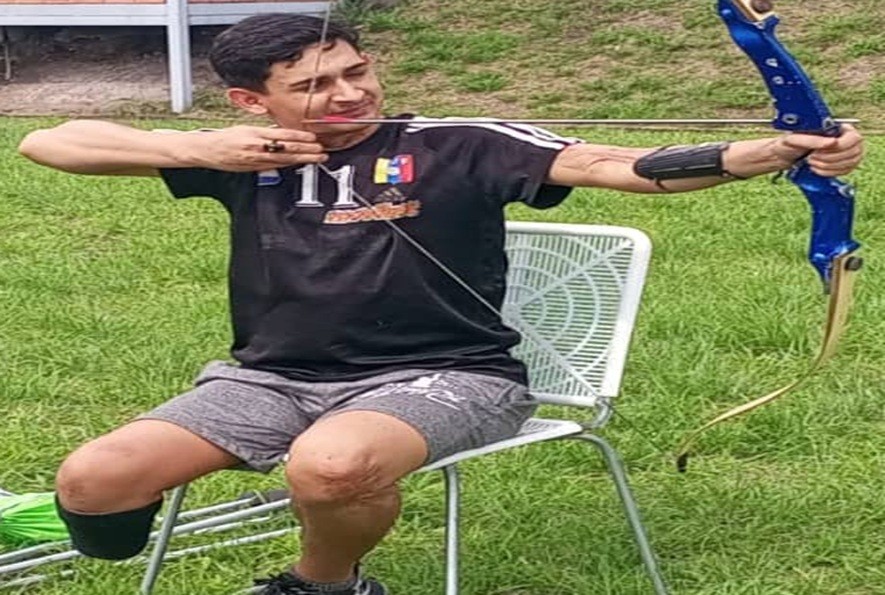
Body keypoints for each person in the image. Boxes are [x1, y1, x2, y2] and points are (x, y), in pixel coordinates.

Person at [17, 12, 864, 595]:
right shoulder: (242, 155)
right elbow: (47, 141)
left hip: (451, 376)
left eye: (356, 71)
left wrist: (771, 152)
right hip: (272, 377)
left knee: (330, 465)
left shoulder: (460, 141)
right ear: (251, 102)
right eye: (315, 85)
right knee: (92, 482)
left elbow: (621, 166)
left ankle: (323, 584)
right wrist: (197, 147)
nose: (349, 94)